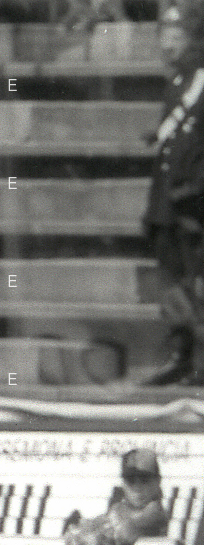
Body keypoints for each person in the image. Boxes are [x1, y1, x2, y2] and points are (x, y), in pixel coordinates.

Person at [142, 2, 204, 386]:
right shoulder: (178, 82)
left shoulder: (199, 82)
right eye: (164, 35)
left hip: (193, 203)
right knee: (173, 282)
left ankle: (196, 359)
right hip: (170, 201)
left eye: (176, 36)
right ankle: (181, 355)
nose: (168, 44)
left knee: (195, 282)